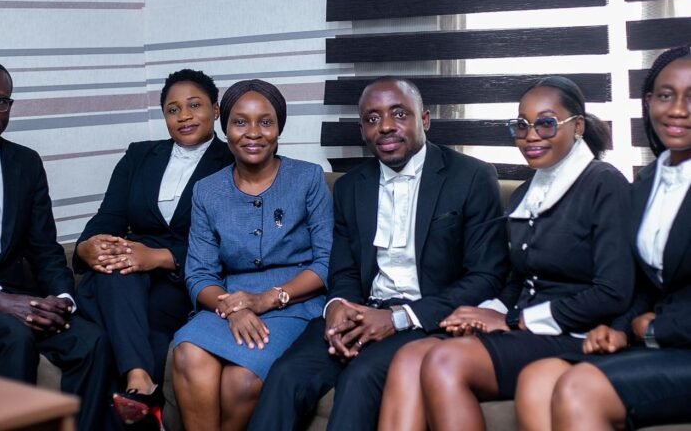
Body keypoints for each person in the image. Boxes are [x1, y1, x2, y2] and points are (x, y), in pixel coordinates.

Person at [249, 77, 509, 431]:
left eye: (399, 114)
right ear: (362, 130)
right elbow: (344, 269)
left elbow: (486, 276)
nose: (385, 126)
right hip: (363, 311)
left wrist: (400, 318)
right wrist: (337, 307)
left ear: (425, 119)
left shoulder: (471, 176)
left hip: (427, 317)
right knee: (286, 375)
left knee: (362, 377)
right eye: (372, 119)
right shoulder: (349, 187)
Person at [377, 76, 634, 431]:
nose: (531, 136)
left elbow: (613, 291)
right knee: (408, 357)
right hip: (527, 327)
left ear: (577, 127)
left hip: (577, 332)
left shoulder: (604, 183)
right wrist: (484, 312)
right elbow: (517, 280)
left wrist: (514, 321)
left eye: (546, 123)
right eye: (522, 125)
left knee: (445, 360)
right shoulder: (525, 193)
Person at [515, 46, 691, 431]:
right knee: (536, 380)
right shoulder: (647, 183)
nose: (678, 109)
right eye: (666, 95)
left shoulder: (605, 183)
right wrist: (620, 328)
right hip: (662, 342)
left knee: (580, 388)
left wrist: (654, 330)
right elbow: (647, 283)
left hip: (676, 339)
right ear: (649, 102)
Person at [0, 58, 109, 430]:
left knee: (92, 340)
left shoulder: (25, 162)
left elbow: (44, 247)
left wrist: (62, 298)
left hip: (19, 297)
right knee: (14, 337)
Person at [170, 79, 334, 431]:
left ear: (279, 128)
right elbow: (199, 274)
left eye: (266, 122)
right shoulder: (206, 191)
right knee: (187, 355)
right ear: (225, 128)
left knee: (241, 380)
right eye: (240, 122)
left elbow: (325, 262)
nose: (253, 133)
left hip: (292, 302)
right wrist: (235, 308)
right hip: (228, 302)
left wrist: (266, 299)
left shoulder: (308, 178)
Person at [73, 69, 233, 426]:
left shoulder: (232, 161)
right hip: (127, 274)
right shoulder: (140, 156)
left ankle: (135, 385)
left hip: (183, 278)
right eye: (173, 110)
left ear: (216, 110)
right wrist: (86, 248)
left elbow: (233, 241)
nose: (184, 116)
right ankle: (141, 382)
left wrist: (160, 257)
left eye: (195, 105)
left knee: (110, 336)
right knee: (119, 269)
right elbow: (109, 215)